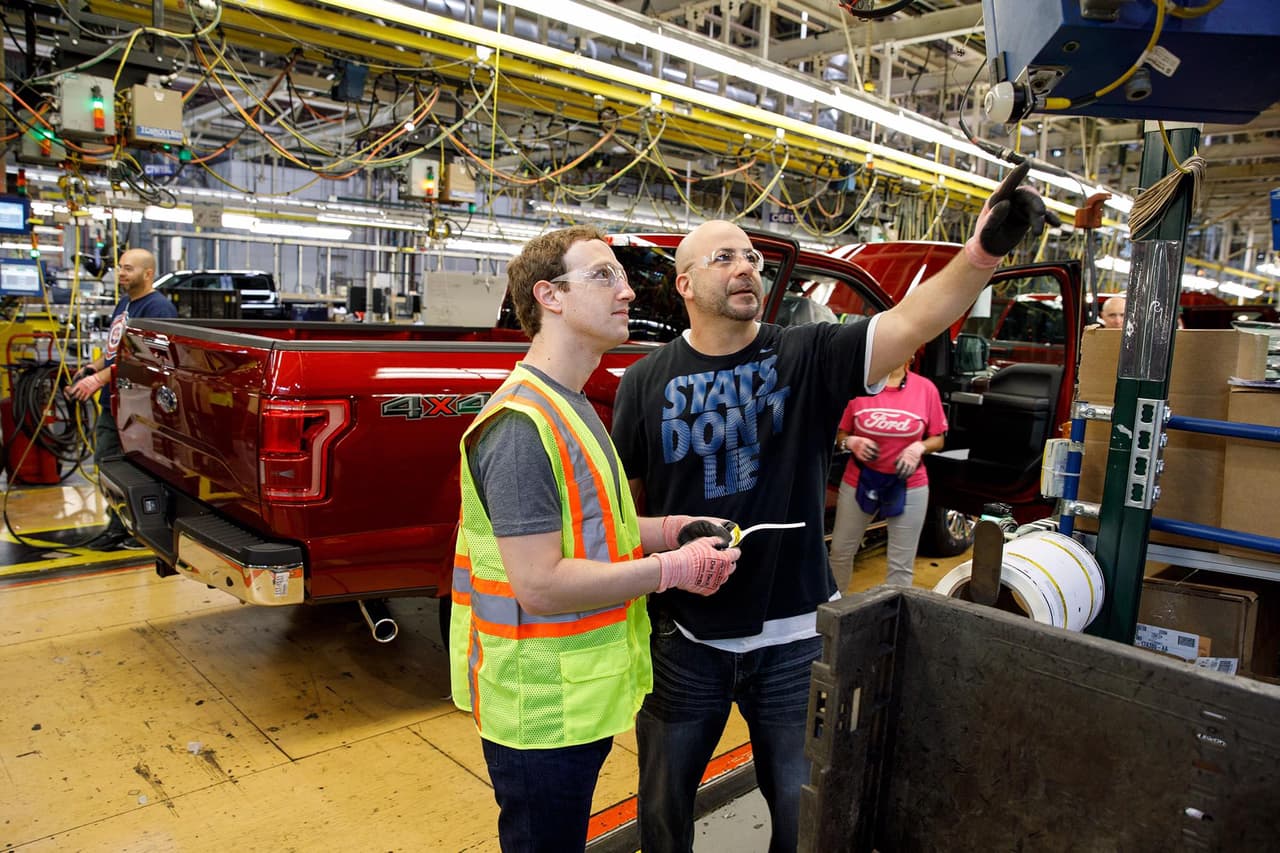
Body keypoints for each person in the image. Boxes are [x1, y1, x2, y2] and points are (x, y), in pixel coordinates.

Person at [611, 162, 1051, 853]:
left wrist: (982, 251)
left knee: (802, 810)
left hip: (793, 636)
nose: (746, 267)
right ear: (685, 283)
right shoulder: (643, 382)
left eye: (752, 258)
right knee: (663, 811)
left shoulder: (806, 354)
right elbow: (625, 511)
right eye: (724, 257)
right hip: (686, 638)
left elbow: (912, 320)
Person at [448, 225, 740, 853]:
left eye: (623, 277)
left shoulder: (571, 404)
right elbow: (540, 585)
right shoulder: (522, 426)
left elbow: (599, 530)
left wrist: (674, 530)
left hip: (576, 702)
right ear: (549, 296)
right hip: (540, 711)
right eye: (604, 275)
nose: (628, 292)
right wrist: (673, 570)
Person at [66, 248, 177, 551]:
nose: (121, 273)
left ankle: (134, 529)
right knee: (107, 462)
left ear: (148, 273)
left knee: (134, 468)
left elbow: (145, 358)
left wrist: (98, 380)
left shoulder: (158, 309)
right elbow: (115, 350)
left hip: (138, 404)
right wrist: (93, 368)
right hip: (113, 401)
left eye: (129, 268)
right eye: (120, 268)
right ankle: (121, 524)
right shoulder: (125, 303)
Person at [827, 361, 947, 592]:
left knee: (901, 565)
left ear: (912, 355)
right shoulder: (860, 387)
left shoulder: (925, 389)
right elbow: (841, 433)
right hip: (859, 480)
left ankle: (894, 613)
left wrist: (919, 447)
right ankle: (833, 608)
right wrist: (850, 442)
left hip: (909, 483)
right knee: (840, 552)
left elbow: (938, 438)